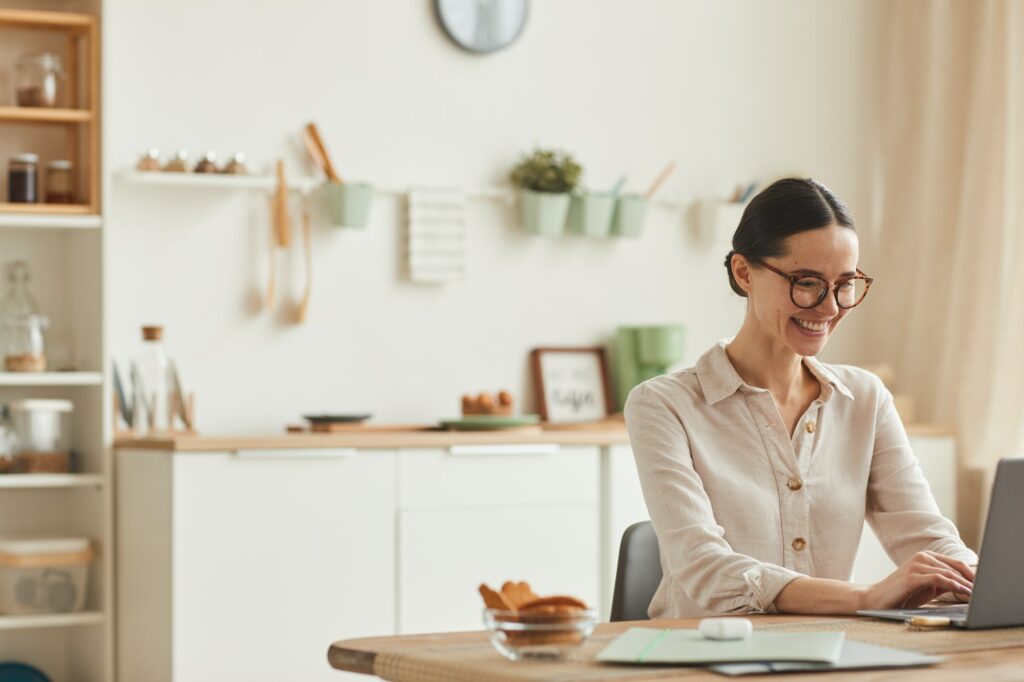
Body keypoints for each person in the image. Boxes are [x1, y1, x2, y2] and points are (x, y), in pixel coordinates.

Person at [624, 178, 976, 618]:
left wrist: (980, 579)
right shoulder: (663, 405)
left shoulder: (865, 399)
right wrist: (865, 599)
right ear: (743, 272)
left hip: (829, 654)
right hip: (703, 658)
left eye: (845, 284)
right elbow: (703, 568)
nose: (829, 307)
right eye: (807, 281)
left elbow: (925, 535)